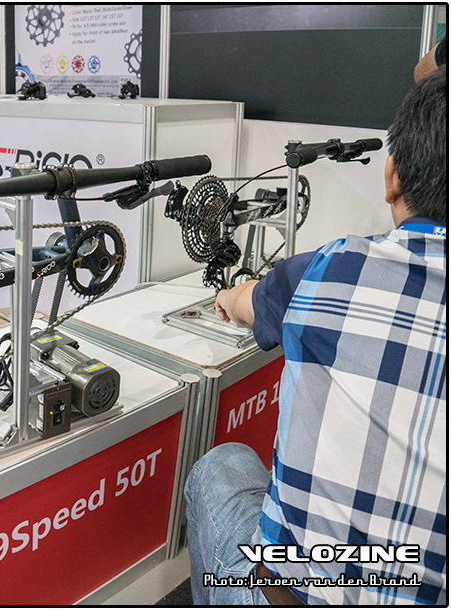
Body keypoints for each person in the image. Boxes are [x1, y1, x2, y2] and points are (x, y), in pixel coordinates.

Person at [185, 68, 447, 605]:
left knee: (219, 466)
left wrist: (228, 296)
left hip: (296, 594)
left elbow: (243, 302)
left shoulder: (330, 268)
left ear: (392, 175)